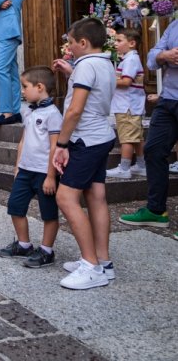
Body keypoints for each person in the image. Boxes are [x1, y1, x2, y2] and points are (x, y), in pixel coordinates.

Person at [51, 18, 116, 289]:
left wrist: (62, 144)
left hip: (85, 139)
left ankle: (90, 266)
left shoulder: (86, 65)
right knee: (96, 196)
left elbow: (75, 110)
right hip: (103, 135)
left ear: (83, 43)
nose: (69, 48)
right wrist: (71, 73)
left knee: (66, 197)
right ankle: (103, 261)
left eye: (70, 42)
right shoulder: (104, 62)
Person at [120, 0, 178, 237]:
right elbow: (152, 57)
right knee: (154, 151)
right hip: (169, 100)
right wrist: (165, 55)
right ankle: (156, 211)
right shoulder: (173, 26)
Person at [0, 66, 61, 268]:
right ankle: (24, 244)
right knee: (15, 207)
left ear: (40, 87)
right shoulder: (27, 111)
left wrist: (51, 176)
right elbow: (23, 141)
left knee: (48, 213)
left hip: (44, 172)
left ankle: (46, 250)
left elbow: (54, 147)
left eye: (25, 86)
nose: (22, 91)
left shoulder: (53, 114)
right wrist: (17, 167)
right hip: (25, 169)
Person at [106, 28, 146, 179]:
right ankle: (141, 165)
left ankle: (124, 168)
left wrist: (108, 79)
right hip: (131, 105)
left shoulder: (130, 60)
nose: (115, 44)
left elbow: (126, 81)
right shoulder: (130, 59)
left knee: (127, 138)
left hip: (127, 105)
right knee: (137, 137)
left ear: (132, 43)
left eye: (119, 40)